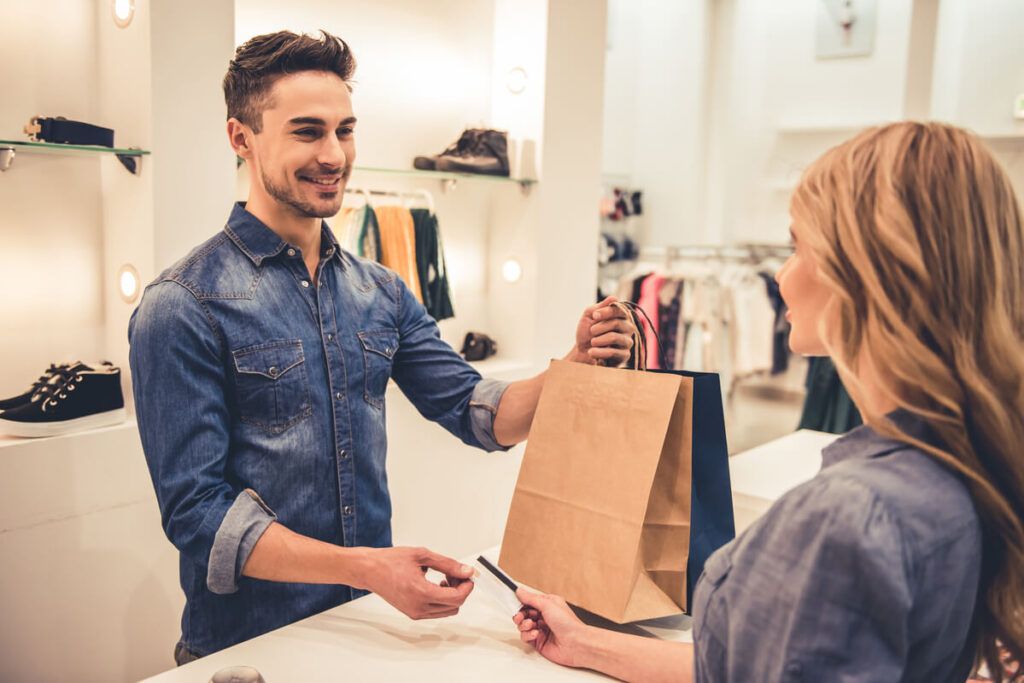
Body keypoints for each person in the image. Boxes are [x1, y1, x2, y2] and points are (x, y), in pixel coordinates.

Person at [127, 30, 635, 664]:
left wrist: (575, 367)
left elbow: (478, 412)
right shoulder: (182, 303)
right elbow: (199, 516)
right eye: (307, 132)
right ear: (241, 138)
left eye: (345, 130)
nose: (334, 154)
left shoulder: (380, 291)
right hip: (248, 649)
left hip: (366, 632)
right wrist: (370, 568)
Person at [512, 122, 1024, 682]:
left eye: (798, 246)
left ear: (866, 273)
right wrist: (590, 645)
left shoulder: (850, 518)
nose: (780, 274)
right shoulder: (962, 464)